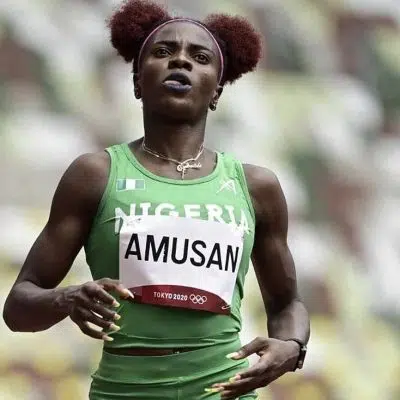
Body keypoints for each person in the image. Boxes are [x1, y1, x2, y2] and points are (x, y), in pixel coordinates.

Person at [3, 1, 310, 399]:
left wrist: (291, 347)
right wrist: (67, 297)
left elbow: (287, 304)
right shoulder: (95, 175)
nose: (180, 61)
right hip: (124, 390)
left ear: (216, 91)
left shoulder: (255, 186)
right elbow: (18, 307)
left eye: (200, 57)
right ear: (137, 82)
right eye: (163, 51)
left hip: (223, 390)